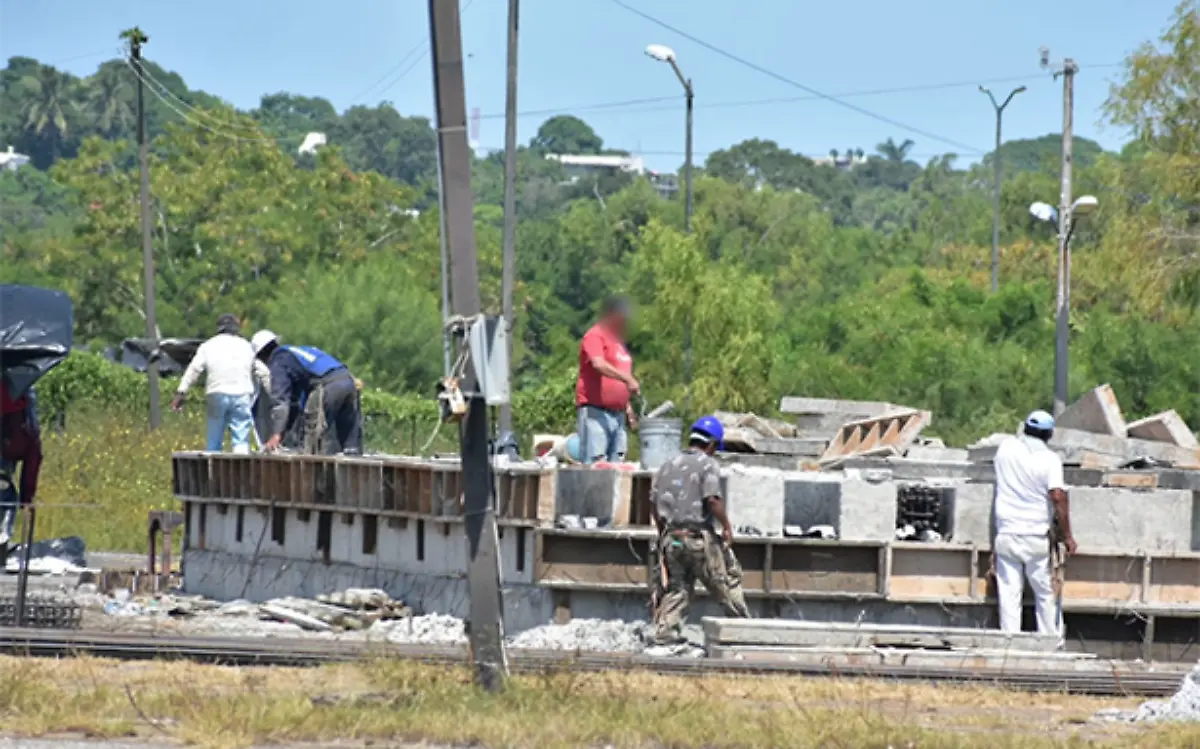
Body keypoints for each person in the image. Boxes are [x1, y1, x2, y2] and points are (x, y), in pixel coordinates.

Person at [648, 415, 750, 649]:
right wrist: (726, 526)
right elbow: (712, 500)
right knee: (726, 582)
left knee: (677, 588)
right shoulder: (708, 464)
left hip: (672, 538)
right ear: (711, 444)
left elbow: (653, 501)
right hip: (698, 538)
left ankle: (666, 635)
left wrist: (663, 530)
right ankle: (744, 629)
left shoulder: (667, 464)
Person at [991, 409, 1077, 639]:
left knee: (1009, 594)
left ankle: (1009, 641)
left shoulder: (1006, 448)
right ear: (1049, 434)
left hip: (1006, 534)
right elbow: (1058, 495)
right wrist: (1067, 536)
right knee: (1044, 593)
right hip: (1035, 536)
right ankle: (1048, 641)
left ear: (1025, 428)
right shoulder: (1049, 460)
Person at [251, 330, 362, 455]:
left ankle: (313, 472)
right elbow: (294, 402)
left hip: (329, 386)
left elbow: (281, 403)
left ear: (262, 356)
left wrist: (276, 435)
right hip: (349, 380)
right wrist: (286, 430)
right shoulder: (296, 353)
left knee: (311, 444)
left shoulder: (278, 361)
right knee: (350, 445)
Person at [171, 314, 267, 453]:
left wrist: (181, 392)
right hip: (242, 393)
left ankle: (213, 469)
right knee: (241, 438)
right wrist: (272, 392)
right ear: (236, 328)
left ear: (219, 328)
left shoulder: (208, 346)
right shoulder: (246, 346)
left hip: (216, 392)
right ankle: (240, 470)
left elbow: (194, 370)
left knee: (214, 437)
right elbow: (263, 371)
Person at [576, 295, 639, 464]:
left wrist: (627, 406)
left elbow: (618, 374)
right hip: (595, 412)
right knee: (597, 463)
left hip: (617, 415)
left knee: (617, 462)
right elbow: (599, 364)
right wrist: (627, 378)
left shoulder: (617, 342)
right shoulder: (595, 336)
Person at [0, 383, 41, 561]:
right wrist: (26, 498)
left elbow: (34, 455)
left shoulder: (23, 424)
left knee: (5, 493)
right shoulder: (26, 425)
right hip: (8, 452)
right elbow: (33, 455)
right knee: (6, 496)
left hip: (7, 454)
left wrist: (26, 497)